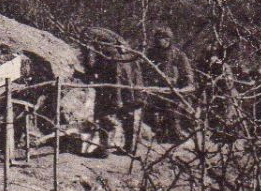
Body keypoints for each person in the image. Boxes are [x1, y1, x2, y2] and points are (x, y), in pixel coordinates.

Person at [79, 27, 143, 156]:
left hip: (112, 70)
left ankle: (103, 148)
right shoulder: (112, 36)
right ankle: (129, 147)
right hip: (129, 72)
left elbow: (89, 56)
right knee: (127, 109)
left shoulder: (88, 33)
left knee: (103, 108)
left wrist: (89, 72)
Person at [142, 25, 195, 143]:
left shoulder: (178, 54)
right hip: (154, 90)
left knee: (173, 114)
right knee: (150, 114)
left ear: (170, 39)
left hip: (173, 91)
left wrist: (184, 87)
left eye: (165, 38)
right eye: (159, 38)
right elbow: (143, 70)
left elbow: (187, 74)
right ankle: (159, 133)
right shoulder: (151, 53)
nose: (162, 41)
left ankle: (175, 135)